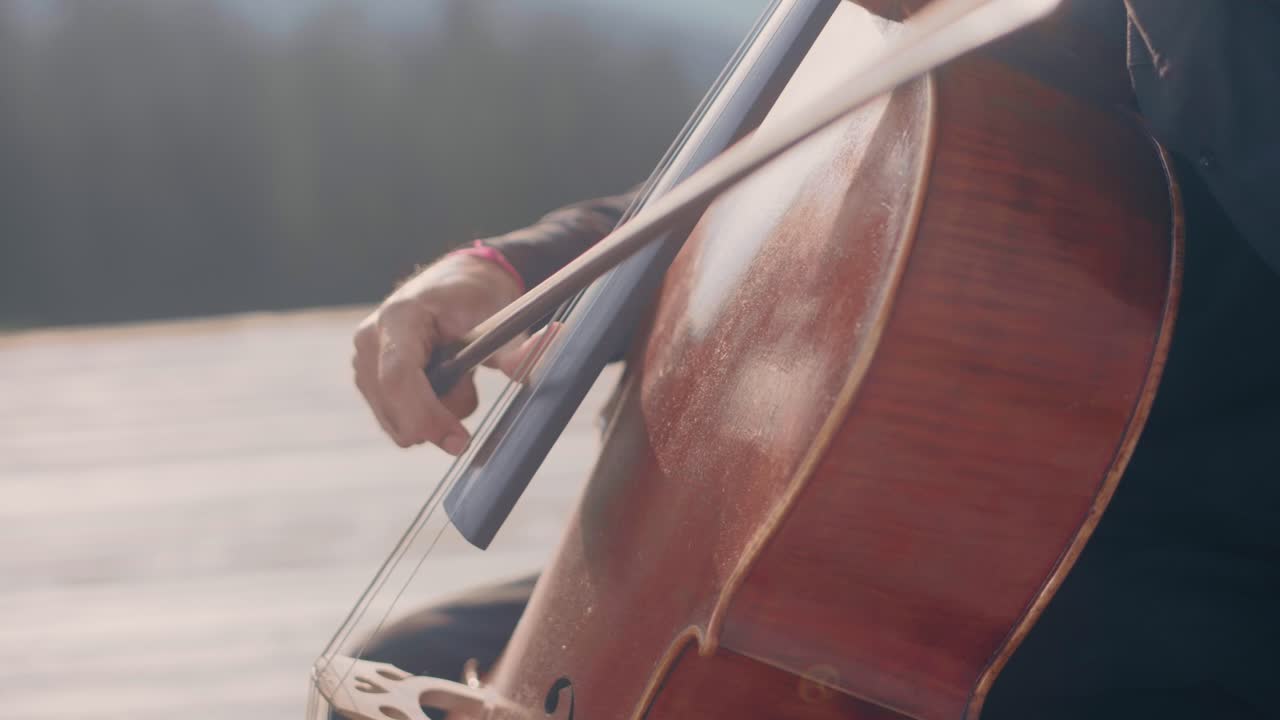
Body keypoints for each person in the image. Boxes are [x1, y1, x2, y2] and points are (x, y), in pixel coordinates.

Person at [347, 1, 1278, 717]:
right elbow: (762, 190)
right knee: (405, 664)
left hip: (1137, 606)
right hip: (841, 562)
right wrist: (506, 267)